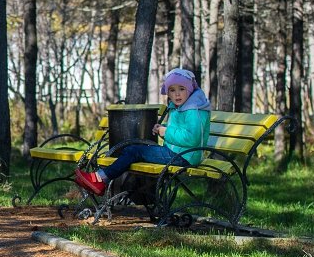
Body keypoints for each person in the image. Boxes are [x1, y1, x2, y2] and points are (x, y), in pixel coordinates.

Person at [74, 68, 211, 197]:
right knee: (131, 149)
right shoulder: (182, 107)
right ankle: (100, 178)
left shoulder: (193, 110)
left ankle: (100, 179)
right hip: (177, 152)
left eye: (182, 89)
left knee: (134, 151)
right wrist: (161, 128)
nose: (177, 94)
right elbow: (181, 130)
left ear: (190, 89)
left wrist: (166, 132)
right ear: (167, 93)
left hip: (184, 157)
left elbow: (192, 138)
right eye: (172, 90)